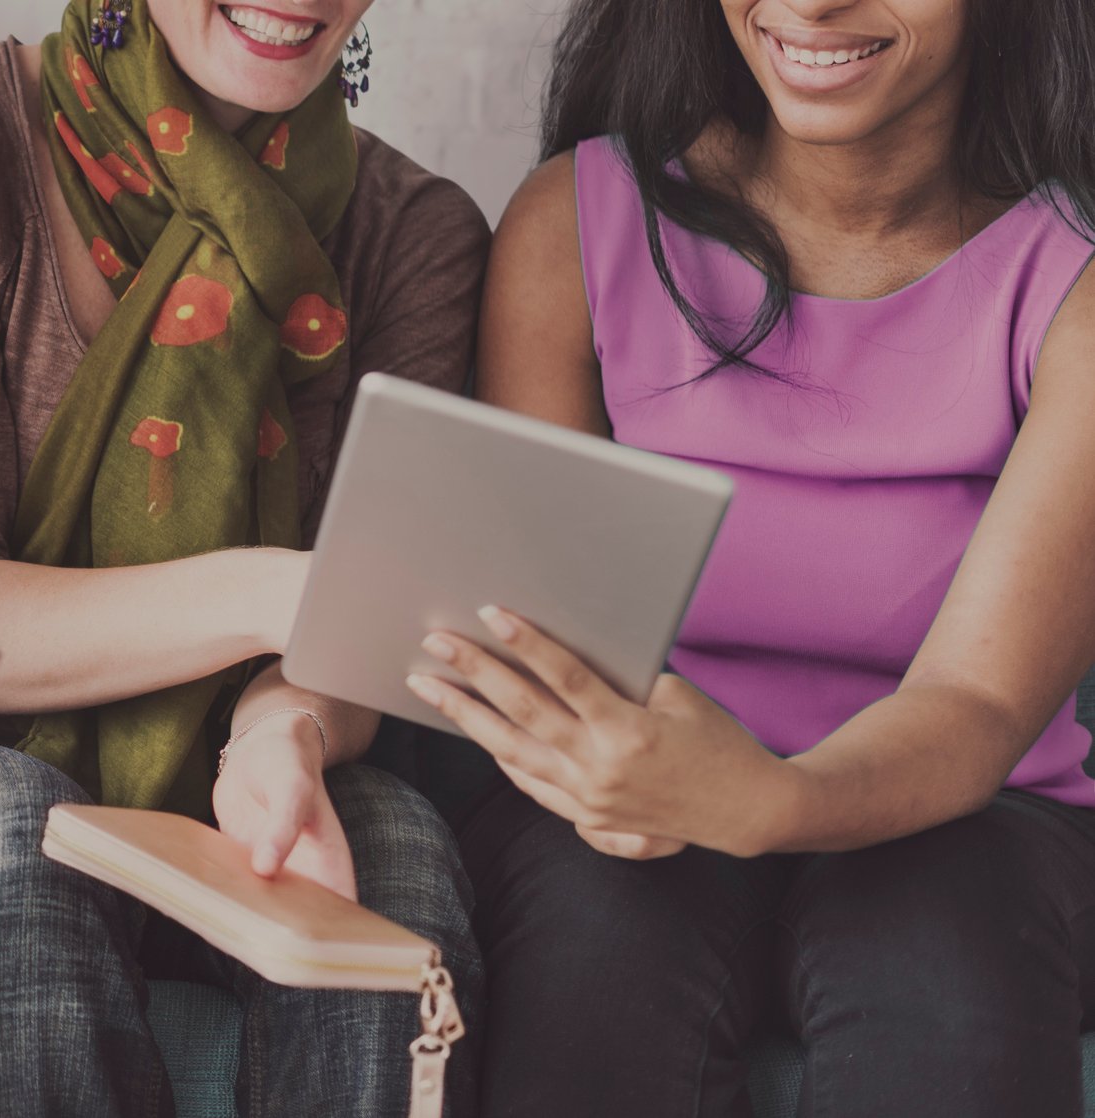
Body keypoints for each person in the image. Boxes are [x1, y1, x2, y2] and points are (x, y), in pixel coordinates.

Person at [0, 1, 487, 1114]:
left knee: (395, 850)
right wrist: (280, 595)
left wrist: (280, 731)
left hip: (252, 760)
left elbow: (371, 639)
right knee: (5, 825)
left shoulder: (415, 232)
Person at [441, 0, 1095, 1114]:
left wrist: (770, 799)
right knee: (598, 945)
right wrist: (626, 772)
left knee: (937, 951)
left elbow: (980, 702)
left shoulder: (1072, 278)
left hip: (977, 807)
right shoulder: (572, 223)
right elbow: (543, 643)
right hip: (637, 784)